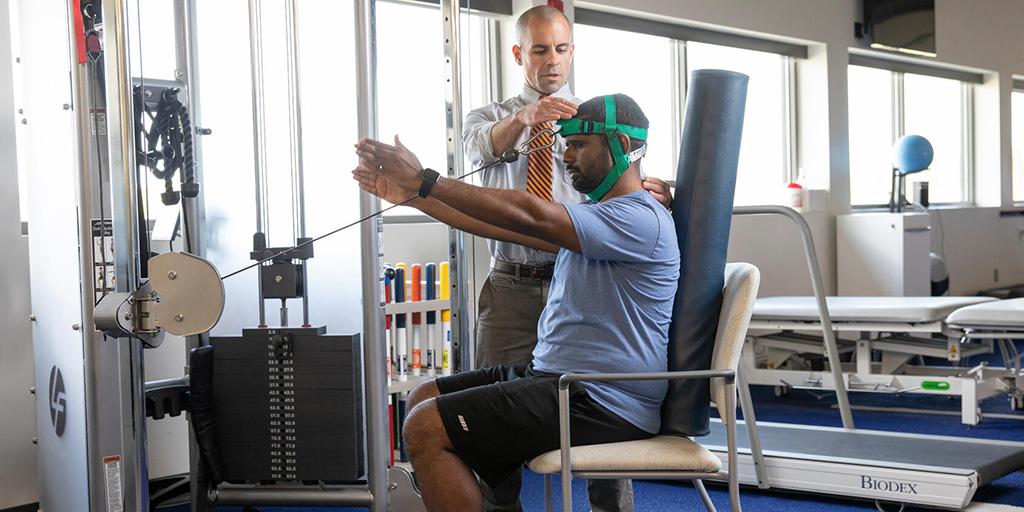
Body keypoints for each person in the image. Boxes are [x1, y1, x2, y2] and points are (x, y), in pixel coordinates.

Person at [353, 93, 680, 512]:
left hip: (599, 398)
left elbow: (532, 213)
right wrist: (415, 199)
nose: (567, 156)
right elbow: (503, 223)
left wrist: (426, 180)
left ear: (624, 145)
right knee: (421, 398)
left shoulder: (638, 217)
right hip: (557, 378)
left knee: (425, 427)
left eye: (579, 145)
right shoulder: (601, 216)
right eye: (566, 145)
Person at [462, 6, 670, 509]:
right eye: (539, 50)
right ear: (518, 54)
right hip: (510, 285)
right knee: (491, 419)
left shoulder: (592, 117)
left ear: (572, 51)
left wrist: (661, 187)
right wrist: (525, 118)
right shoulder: (491, 115)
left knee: (599, 411)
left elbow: (625, 182)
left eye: (561, 49)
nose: (552, 61)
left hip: (576, 280)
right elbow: (477, 149)